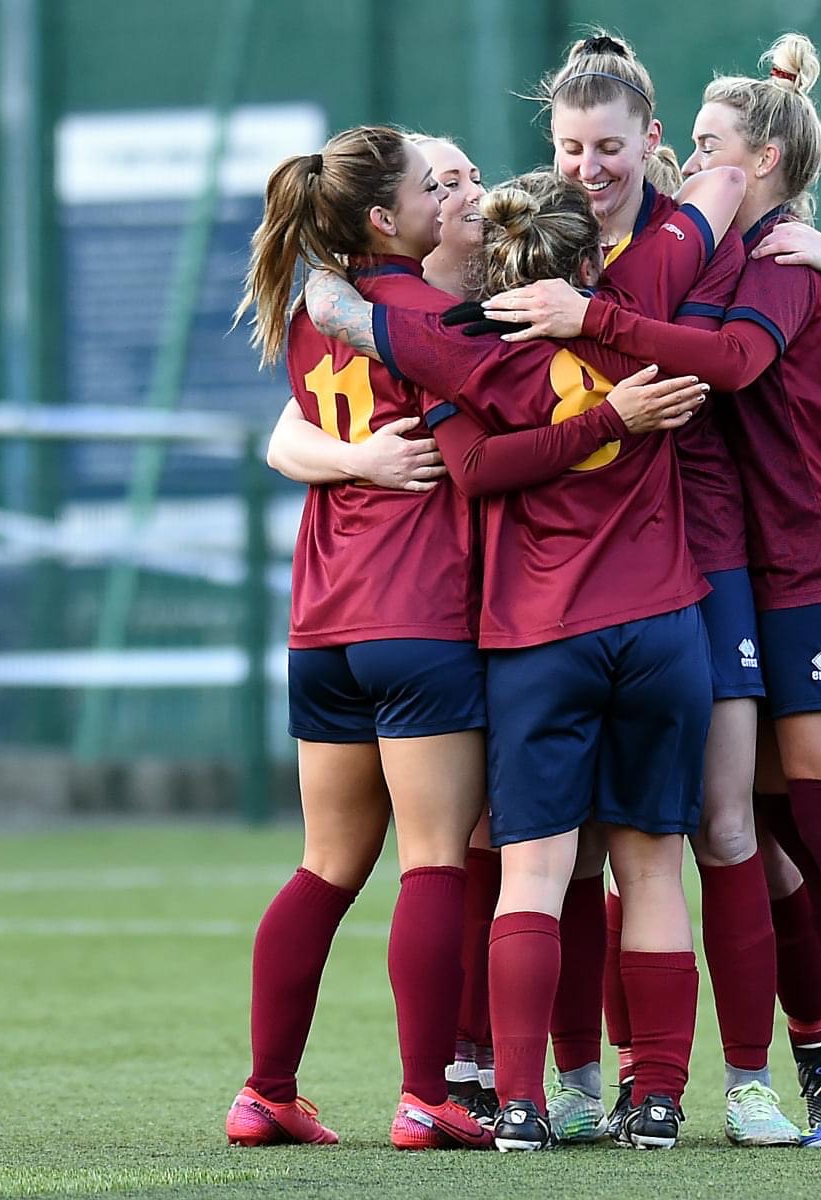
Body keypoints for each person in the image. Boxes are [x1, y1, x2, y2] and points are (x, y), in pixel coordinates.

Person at [478, 32, 821, 1150]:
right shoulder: (591, 240)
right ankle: (621, 1073)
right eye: (571, 146)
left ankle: (811, 1061)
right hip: (680, 579)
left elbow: (737, 361)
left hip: (778, 564)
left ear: (758, 161)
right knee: (717, 826)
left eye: (704, 143)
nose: (667, 159)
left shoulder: (759, 256)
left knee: (751, 822)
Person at [303, 160, 744, 1153]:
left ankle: (518, 1103)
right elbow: (711, 204)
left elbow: (466, 461)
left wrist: (322, 291)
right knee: (654, 871)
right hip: (664, 626)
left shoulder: (462, 349)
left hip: (540, 639)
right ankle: (658, 1099)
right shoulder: (637, 308)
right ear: (588, 253)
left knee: (532, 876)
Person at [222, 123, 493, 1152]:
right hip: (419, 616)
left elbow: (292, 429)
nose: (447, 198)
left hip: (322, 624)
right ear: (386, 218)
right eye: (434, 186)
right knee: (434, 860)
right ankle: (428, 1093)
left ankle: (266, 1090)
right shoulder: (430, 317)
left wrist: (347, 461)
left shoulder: (315, 320)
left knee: (325, 864)